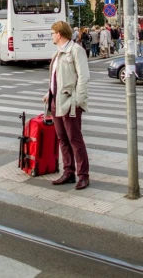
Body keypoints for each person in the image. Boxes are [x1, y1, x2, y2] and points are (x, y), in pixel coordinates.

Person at [43, 21, 91, 190]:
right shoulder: (57, 54)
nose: (51, 35)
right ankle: (68, 172)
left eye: (52, 33)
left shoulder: (76, 51)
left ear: (59, 34)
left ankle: (83, 175)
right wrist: (48, 93)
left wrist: (77, 101)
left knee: (75, 139)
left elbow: (83, 77)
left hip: (70, 103)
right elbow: (55, 78)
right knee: (62, 139)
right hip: (56, 101)